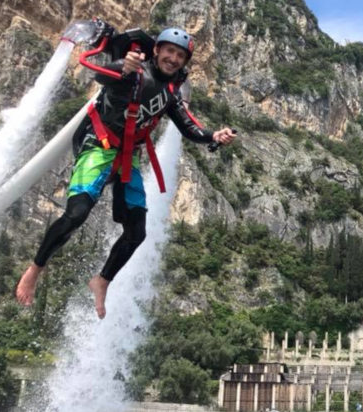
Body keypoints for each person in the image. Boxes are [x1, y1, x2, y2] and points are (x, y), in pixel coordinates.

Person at [15, 27, 236, 319]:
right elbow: (101, 76)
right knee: (77, 214)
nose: (172, 58)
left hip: (127, 155)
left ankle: (102, 280)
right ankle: (35, 269)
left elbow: (188, 127)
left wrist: (213, 136)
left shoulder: (172, 92)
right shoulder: (134, 68)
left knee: (137, 231)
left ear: (184, 61)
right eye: (168, 51)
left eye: (179, 55)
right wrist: (122, 66)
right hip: (99, 142)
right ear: (156, 50)